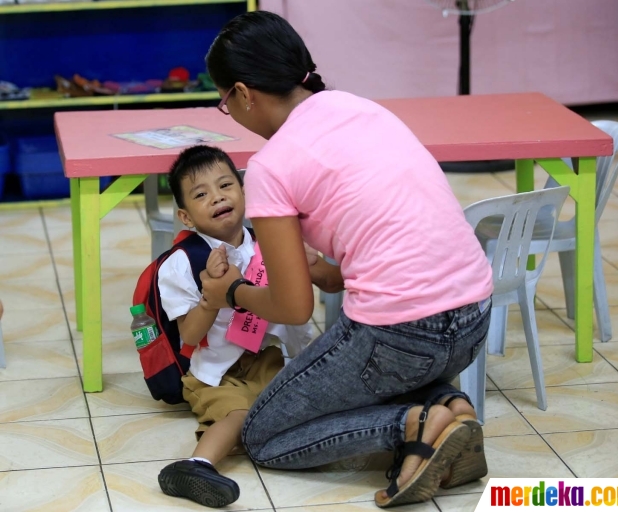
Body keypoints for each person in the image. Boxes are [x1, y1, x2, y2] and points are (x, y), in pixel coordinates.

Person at [199, 11, 494, 509]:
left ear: (245, 93)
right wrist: (317, 270)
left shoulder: (271, 167)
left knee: (264, 435)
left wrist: (227, 292)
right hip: (473, 321)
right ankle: (451, 407)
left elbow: (293, 308)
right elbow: (363, 262)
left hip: (399, 336)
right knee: (376, 369)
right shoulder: (362, 109)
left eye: (225, 101)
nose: (232, 111)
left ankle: (414, 425)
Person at [156, 145, 312, 508]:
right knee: (238, 414)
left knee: (296, 404)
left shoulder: (268, 245)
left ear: (243, 192)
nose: (217, 197)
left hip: (265, 359)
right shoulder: (180, 265)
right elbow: (190, 336)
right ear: (186, 216)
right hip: (213, 373)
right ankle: (197, 466)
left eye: (226, 185)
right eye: (201, 194)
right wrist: (213, 295)